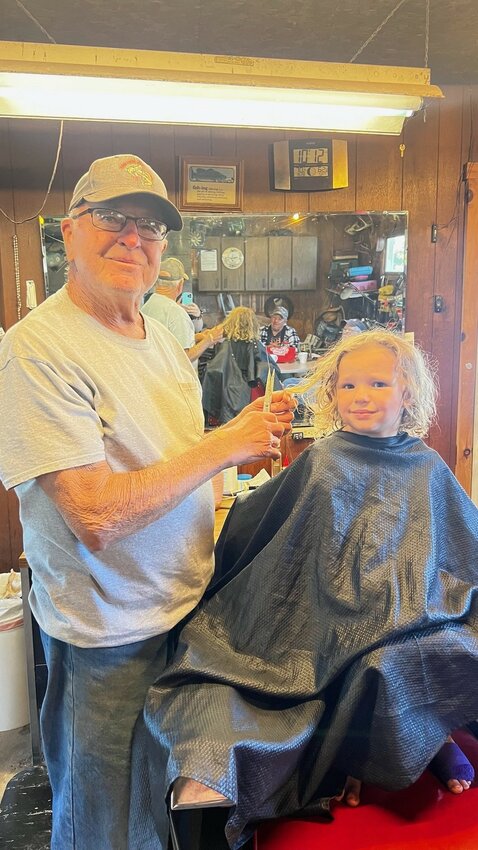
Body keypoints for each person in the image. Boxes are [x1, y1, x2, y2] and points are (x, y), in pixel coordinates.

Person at [0, 153, 295, 850]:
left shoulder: (161, 342)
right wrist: (224, 444)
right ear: (70, 231)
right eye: (113, 219)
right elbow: (97, 516)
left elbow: (178, 464)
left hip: (183, 613)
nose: (134, 238)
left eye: (152, 228)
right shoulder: (38, 350)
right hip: (109, 633)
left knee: (156, 814)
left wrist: (231, 459)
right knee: (98, 822)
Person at [129, 329, 477, 850]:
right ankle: (351, 764)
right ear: (332, 395)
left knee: (426, 655)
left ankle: (429, 743)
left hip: (417, 611)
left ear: (407, 395)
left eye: (378, 383)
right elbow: (265, 524)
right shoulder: (323, 459)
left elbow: (460, 544)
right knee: (350, 666)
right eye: (349, 385)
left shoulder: (428, 466)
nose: (361, 395)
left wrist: (427, 596)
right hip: (324, 613)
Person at [202, 306, 282, 424]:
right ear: (253, 324)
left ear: (231, 323)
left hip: (228, 398)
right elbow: (273, 371)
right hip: (255, 400)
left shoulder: (226, 345)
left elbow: (213, 372)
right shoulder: (257, 345)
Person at [142, 256, 223, 362]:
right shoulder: (176, 313)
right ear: (180, 285)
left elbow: (167, 342)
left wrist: (197, 337)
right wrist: (209, 340)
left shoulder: (147, 306)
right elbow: (184, 358)